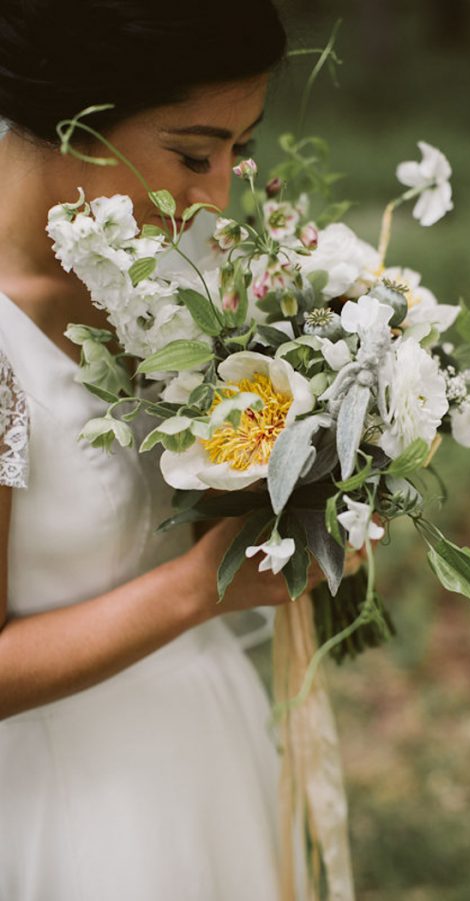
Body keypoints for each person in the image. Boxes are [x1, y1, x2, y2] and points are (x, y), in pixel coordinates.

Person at [0, 2, 322, 898]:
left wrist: (314, 491)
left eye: (238, 153)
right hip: (72, 807)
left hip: (207, 747)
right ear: (74, 115)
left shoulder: (180, 273)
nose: (218, 196)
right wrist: (202, 582)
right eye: (193, 154)